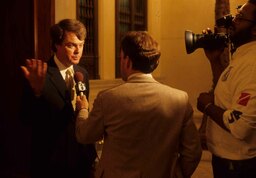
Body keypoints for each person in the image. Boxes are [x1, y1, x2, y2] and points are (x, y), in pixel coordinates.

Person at [75, 31, 202, 178]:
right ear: (156, 63)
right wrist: (176, 174)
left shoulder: (108, 98)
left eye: (121, 58)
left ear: (127, 61)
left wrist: (83, 109)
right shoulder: (180, 99)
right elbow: (193, 152)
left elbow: (85, 135)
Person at [20, 19, 97, 178]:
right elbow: (26, 118)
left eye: (81, 45)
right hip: (52, 163)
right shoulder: (40, 74)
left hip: (81, 161)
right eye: (71, 45)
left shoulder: (83, 73)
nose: (78, 51)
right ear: (56, 45)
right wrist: (37, 93)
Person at [197, 0, 256, 177]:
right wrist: (214, 60)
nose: (232, 22)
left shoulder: (252, 64)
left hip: (239, 166)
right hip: (230, 161)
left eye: (239, 18)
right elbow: (227, 94)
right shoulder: (242, 56)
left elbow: (240, 126)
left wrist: (207, 106)